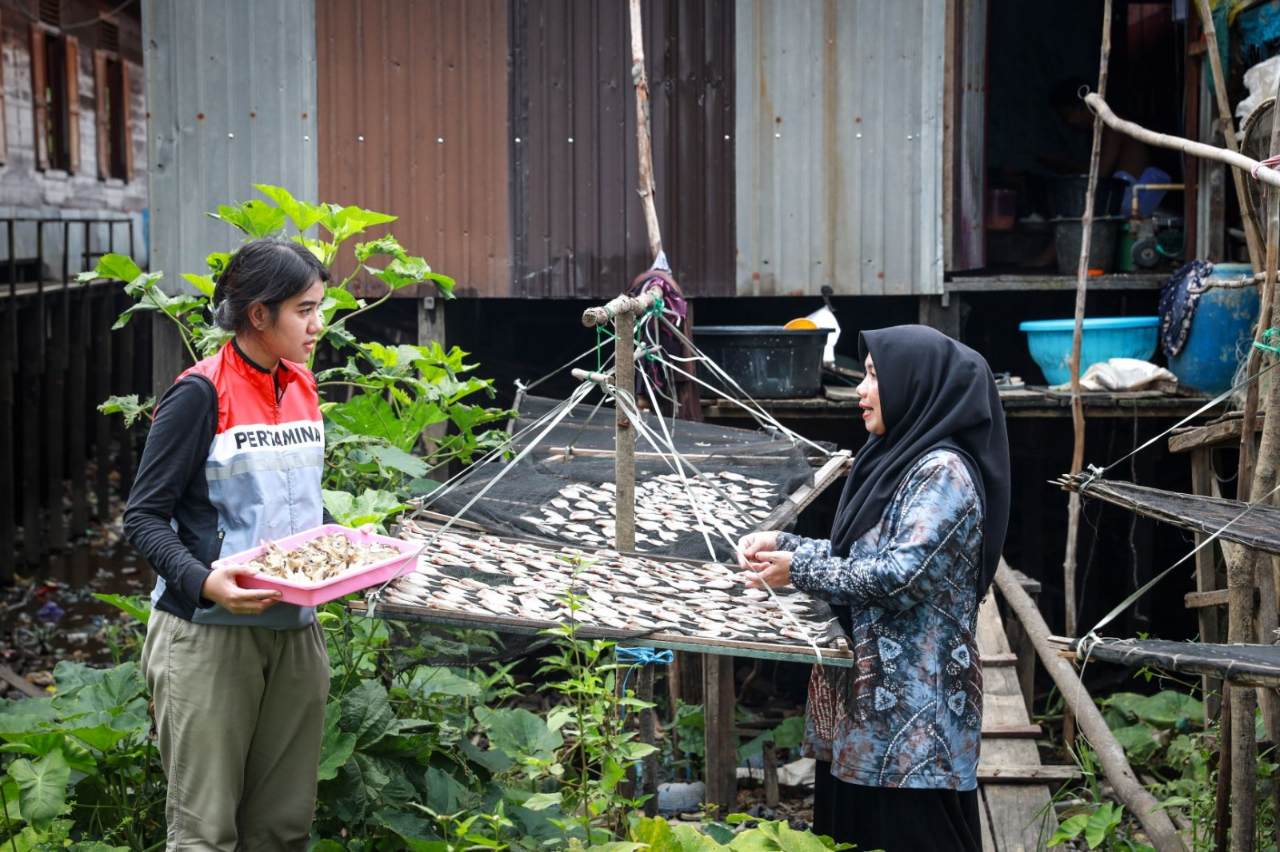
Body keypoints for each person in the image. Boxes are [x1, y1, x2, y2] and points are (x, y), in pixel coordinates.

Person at [737, 325, 1010, 851]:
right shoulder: (894, 461)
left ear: (916, 384)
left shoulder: (943, 473)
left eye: (873, 376)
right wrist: (783, 543)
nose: (860, 392)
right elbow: (858, 557)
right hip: (868, 715)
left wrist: (796, 570)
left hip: (916, 724)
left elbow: (897, 576)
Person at [124, 238, 332, 850]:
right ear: (259, 314)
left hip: (294, 629)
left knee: (282, 828)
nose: (318, 324)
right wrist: (203, 580)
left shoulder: (300, 383)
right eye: (305, 310)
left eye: (320, 307)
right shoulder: (199, 393)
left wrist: (351, 557)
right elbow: (142, 518)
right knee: (205, 832)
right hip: (209, 635)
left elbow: (299, 505)